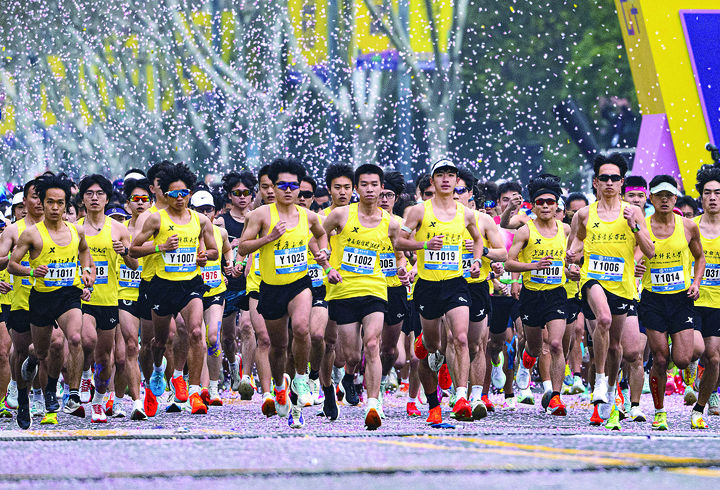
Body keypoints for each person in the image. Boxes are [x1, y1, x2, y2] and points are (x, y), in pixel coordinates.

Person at [397, 159, 504, 424]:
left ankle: (461, 397)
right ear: (432, 181)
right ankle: (433, 401)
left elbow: (477, 239)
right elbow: (399, 241)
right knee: (432, 347)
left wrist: (477, 260)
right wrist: (424, 245)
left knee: (461, 338)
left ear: (457, 181)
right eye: (440, 175)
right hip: (427, 286)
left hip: (456, 284)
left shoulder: (466, 214)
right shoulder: (419, 211)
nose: (445, 179)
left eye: (450, 175)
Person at [238, 158, 335, 429]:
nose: (289, 190)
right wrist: (268, 238)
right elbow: (243, 248)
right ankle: (280, 386)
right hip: (270, 288)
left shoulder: (308, 216)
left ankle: (301, 378)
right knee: (278, 346)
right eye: (282, 185)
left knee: (302, 329)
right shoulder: (260, 215)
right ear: (272, 187)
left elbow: (321, 234)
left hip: (299, 283)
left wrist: (323, 252)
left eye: (294, 185)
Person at [567, 153, 654, 423]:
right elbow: (573, 249)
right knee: (603, 319)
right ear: (595, 182)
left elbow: (650, 250)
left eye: (614, 178)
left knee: (617, 347)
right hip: (592, 279)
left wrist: (635, 227)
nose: (609, 182)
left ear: (621, 182)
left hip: (622, 285)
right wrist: (571, 264)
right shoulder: (584, 214)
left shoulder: (633, 212)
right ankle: (599, 380)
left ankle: (612, 388)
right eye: (603, 178)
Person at [130, 162, 219, 415]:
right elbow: (133, 250)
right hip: (161, 285)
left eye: (184, 193)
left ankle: (194, 392)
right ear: (165, 195)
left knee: (195, 332)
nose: (179, 198)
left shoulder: (200, 220)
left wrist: (204, 256)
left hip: (190, 283)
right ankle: (159, 369)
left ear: (190, 193)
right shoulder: (156, 219)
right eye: (174, 194)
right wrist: (161, 247)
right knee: (160, 341)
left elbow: (214, 252)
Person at [9, 175, 95, 429]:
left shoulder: (76, 230)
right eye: (50, 202)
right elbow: (12, 265)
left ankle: (69, 393)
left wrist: (86, 271)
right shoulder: (31, 235)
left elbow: (84, 251)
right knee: (40, 352)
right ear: (43, 203)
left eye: (60, 203)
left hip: (68, 294)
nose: (55, 208)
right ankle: (23, 398)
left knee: (75, 338)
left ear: (66, 204)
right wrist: (30, 271)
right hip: (42, 298)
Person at [323, 164, 405, 429]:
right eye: (364, 184)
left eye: (374, 184)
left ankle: (373, 403)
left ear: (382, 188)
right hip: (344, 290)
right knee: (351, 355)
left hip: (375, 289)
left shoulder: (392, 223)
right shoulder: (340, 215)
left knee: (372, 344)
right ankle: (347, 377)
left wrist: (403, 268)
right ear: (357, 188)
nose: (370, 189)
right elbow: (316, 237)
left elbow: (400, 253)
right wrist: (326, 264)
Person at [637, 175, 704, 431]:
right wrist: (636, 268)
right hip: (653, 299)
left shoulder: (688, 226)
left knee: (683, 359)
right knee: (661, 358)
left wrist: (696, 282)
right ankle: (659, 411)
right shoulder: (642, 226)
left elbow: (700, 258)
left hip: (681, 298)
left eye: (669, 195)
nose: (664, 200)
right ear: (651, 198)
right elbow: (631, 256)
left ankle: (685, 365)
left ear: (675, 198)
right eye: (659, 195)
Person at [505, 175, 573, 416]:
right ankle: (526, 361)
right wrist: (533, 267)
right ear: (533, 206)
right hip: (532, 296)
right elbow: (509, 263)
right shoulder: (525, 231)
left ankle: (555, 397)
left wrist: (573, 269)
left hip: (556, 294)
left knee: (554, 344)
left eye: (550, 202)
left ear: (557, 206)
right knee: (534, 348)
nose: (545, 206)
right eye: (540, 202)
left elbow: (571, 259)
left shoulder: (566, 230)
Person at [77, 174, 138, 422]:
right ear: (82, 199)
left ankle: (99, 402)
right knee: (86, 340)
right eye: (89, 193)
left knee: (105, 357)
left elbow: (134, 265)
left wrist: (125, 252)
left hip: (109, 299)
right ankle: (84, 375)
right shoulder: (75, 229)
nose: (94, 198)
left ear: (107, 198)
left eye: (99, 193)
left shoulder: (119, 229)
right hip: (82, 298)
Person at [192, 190, 236, 406]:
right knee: (198, 339)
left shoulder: (221, 233)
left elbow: (227, 250)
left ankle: (213, 386)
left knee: (213, 338)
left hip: (216, 291)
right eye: (199, 210)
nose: (204, 214)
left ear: (215, 211)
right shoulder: (186, 232)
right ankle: (200, 388)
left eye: (208, 209)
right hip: (193, 292)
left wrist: (229, 264)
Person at [215, 170, 256, 399]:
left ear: (252, 195)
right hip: (227, 283)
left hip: (250, 282)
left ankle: (247, 377)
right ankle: (233, 365)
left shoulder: (258, 219)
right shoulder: (222, 221)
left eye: (246, 192)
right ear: (229, 196)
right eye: (237, 193)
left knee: (247, 327)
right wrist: (229, 248)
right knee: (228, 337)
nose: (242, 197)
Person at [116, 177, 152, 420]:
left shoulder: (159, 227)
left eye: (144, 199)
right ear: (127, 204)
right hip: (125, 293)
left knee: (153, 345)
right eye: (135, 199)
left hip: (151, 293)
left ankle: (154, 383)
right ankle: (136, 402)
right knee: (130, 346)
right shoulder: (119, 230)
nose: (140, 203)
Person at [691, 165, 720, 429]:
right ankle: (691, 367)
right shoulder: (691, 227)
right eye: (708, 193)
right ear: (701, 196)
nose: (712, 198)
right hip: (692, 300)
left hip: (717, 304)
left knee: (714, 358)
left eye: (718, 193)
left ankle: (699, 408)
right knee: (694, 351)